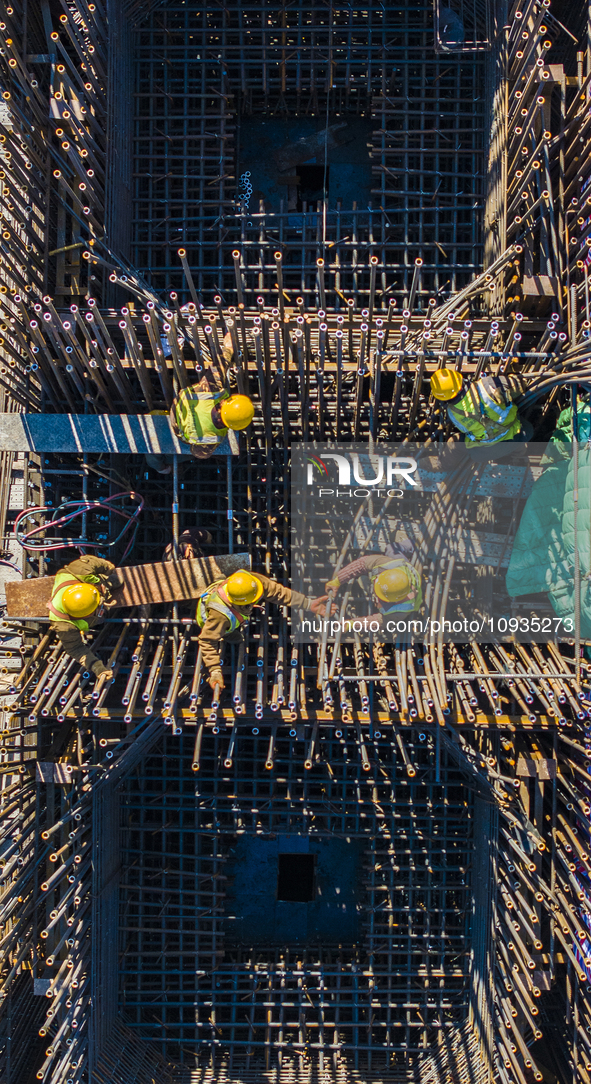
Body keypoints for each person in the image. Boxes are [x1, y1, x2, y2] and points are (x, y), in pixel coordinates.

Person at [197, 570, 329, 690]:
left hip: (229, 607)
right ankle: (228, 634)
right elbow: (206, 640)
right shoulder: (220, 616)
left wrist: (308, 604)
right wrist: (214, 670)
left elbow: (278, 592)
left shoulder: (251, 582)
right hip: (214, 623)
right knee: (232, 636)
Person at [145, 375, 255, 474]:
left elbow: (217, 367)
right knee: (184, 453)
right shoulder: (212, 439)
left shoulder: (211, 390)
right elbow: (197, 453)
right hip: (175, 426)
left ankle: (164, 467)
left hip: (176, 407)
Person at [48, 555, 121, 679]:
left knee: (118, 580)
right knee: (102, 617)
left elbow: (93, 563)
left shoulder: (78, 571)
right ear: (86, 614)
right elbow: (76, 649)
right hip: (89, 614)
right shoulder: (63, 626)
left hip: (92, 583)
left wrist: (108, 567)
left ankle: (106, 583)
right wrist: (98, 668)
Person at [429, 369, 530, 448]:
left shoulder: (451, 413)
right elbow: (521, 385)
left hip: (485, 447)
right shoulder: (487, 385)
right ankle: (519, 454)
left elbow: (466, 431)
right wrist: (511, 377)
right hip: (515, 432)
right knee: (525, 430)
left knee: (454, 443)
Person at [325, 552, 422, 625]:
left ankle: (372, 592)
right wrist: (338, 581)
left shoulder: (400, 611)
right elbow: (361, 564)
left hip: (401, 599)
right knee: (391, 550)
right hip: (401, 581)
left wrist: (352, 624)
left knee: (362, 581)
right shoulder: (386, 563)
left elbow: (378, 621)